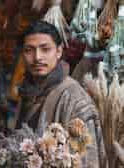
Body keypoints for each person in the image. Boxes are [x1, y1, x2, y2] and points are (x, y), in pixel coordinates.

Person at [10, 21, 107, 167]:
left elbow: (88, 161)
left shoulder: (74, 98)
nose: (37, 57)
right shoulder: (27, 91)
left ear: (59, 52)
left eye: (45, 49)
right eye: (29, 50)